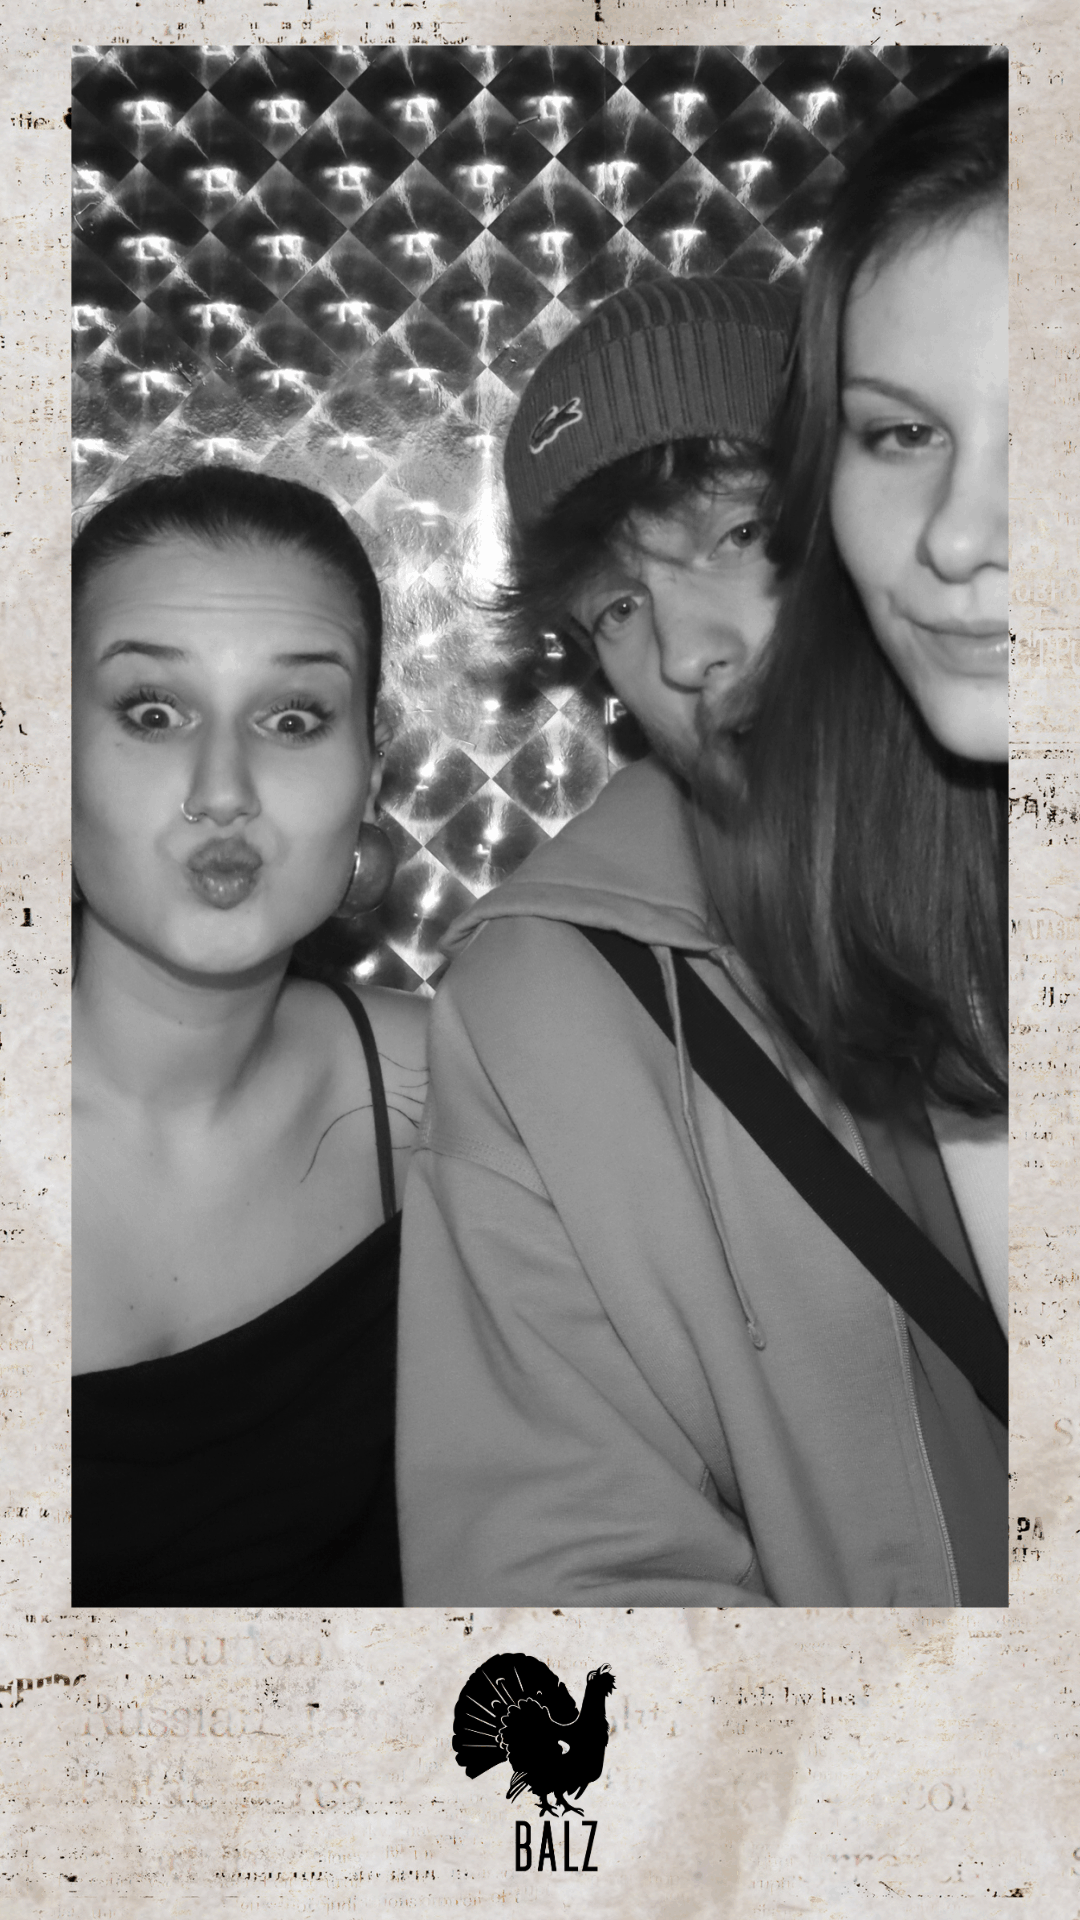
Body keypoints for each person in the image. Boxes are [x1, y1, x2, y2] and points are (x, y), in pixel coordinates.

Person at [396, 67, 1008, 1608]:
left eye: (739, 535)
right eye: (616, 604)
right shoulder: (543, 1005)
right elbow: (565, 1563)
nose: (686, 651)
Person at [71, 467, 427, 1605]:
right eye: (152, 712)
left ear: (369, 772)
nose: (222, 790)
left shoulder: (460, 1088)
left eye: (292, 719)